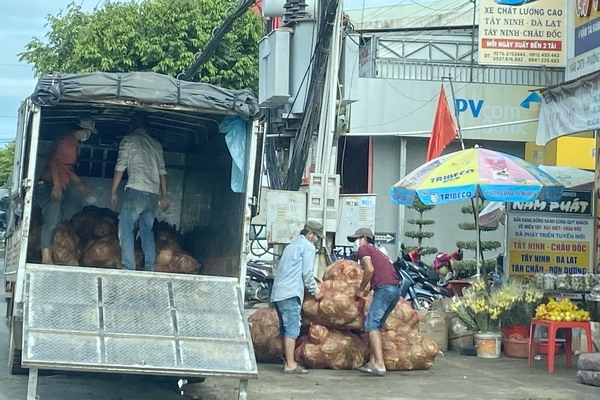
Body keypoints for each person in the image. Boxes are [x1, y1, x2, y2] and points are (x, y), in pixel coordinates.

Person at [110, 113, 169, 271]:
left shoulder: (129, 140)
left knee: (126, 228)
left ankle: (128, 267)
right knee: (147, 231)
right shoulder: (156, 144)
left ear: (132, 125)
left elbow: (120, 167)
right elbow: (163, 172)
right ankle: (150, 268)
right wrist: (164, 196)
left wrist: (113, 191)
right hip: (153, 194)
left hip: (136, 190)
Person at [34, 118, 96, 264]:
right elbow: (54, 161)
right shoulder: (67, 142)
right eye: (88, 132)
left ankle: (48, 253)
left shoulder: (71, 143)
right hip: (50, 185)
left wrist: (80, 183)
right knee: (51, 221)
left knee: (56, 220)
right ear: (84, 131)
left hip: (56, 184)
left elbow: (66, 168)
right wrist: (56, 185)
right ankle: (46, 258)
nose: (88, 135)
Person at [270, 220, 324, 374]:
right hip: (290, 293)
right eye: (316, 237)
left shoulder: (290, 246)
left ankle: (286, 360)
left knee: (285, 330)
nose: (316, 240)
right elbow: (307, 273)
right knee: (292, 329)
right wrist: (315, 291)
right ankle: (290, 365)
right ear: (310, 234)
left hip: (278, 293)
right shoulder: (308, 247)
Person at [349, 227, 400, 376]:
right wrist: (366, 291)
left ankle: (379, 364)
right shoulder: (378, 253)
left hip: (385, 289)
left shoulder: (364, 249)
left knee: (371, 325)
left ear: (364, 238)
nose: (355, 243)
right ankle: (373, 361)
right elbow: (379, 274)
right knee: (377, 326)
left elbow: (369, 270)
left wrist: (360, 288)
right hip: (394, 290)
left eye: (356, 239)